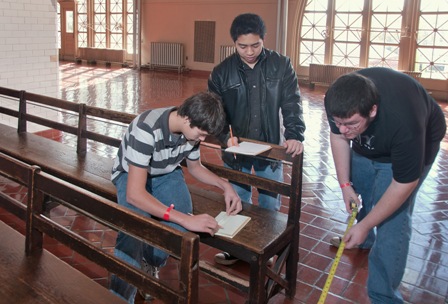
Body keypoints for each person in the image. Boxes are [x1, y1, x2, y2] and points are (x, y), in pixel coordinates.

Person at [324, 67, 446, 303]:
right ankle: (362, 238)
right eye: (339, 122)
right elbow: (338, 136)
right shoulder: (337, 102)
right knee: (364, 192)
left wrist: (367, 224)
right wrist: (345, 185)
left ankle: (384, 296)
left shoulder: (404, 123)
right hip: (370, 143)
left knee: (393, 222)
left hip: (410, 147)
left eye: (350, 123)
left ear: (372, 110)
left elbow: (403, 183)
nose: (343, 128)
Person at [109, 91, 242, 303]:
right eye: (200, 134)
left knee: (180, 229)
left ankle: (150, 261)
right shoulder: (147, 128)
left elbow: (195, 167)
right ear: (187, 118)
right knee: (134, 227)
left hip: (166, 173)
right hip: (130, 174)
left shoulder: (192, 130)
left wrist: (224, 185)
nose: (202, 139)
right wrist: (184, 217)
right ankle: (118, 298)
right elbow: (135, 194)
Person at [208, 13, 306, 266]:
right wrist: (223, 138)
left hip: (270, 149)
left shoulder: (281, 65)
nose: (249, 51)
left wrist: (294, 134)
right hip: (236, 150)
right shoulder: (221, 73)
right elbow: (216, 113)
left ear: (264, 40)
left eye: (255, 45)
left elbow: (292, 103)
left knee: (269, 202)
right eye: (243, 46)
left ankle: (265, 247)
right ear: (234, 43)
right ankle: (237, 249)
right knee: (237, 199)